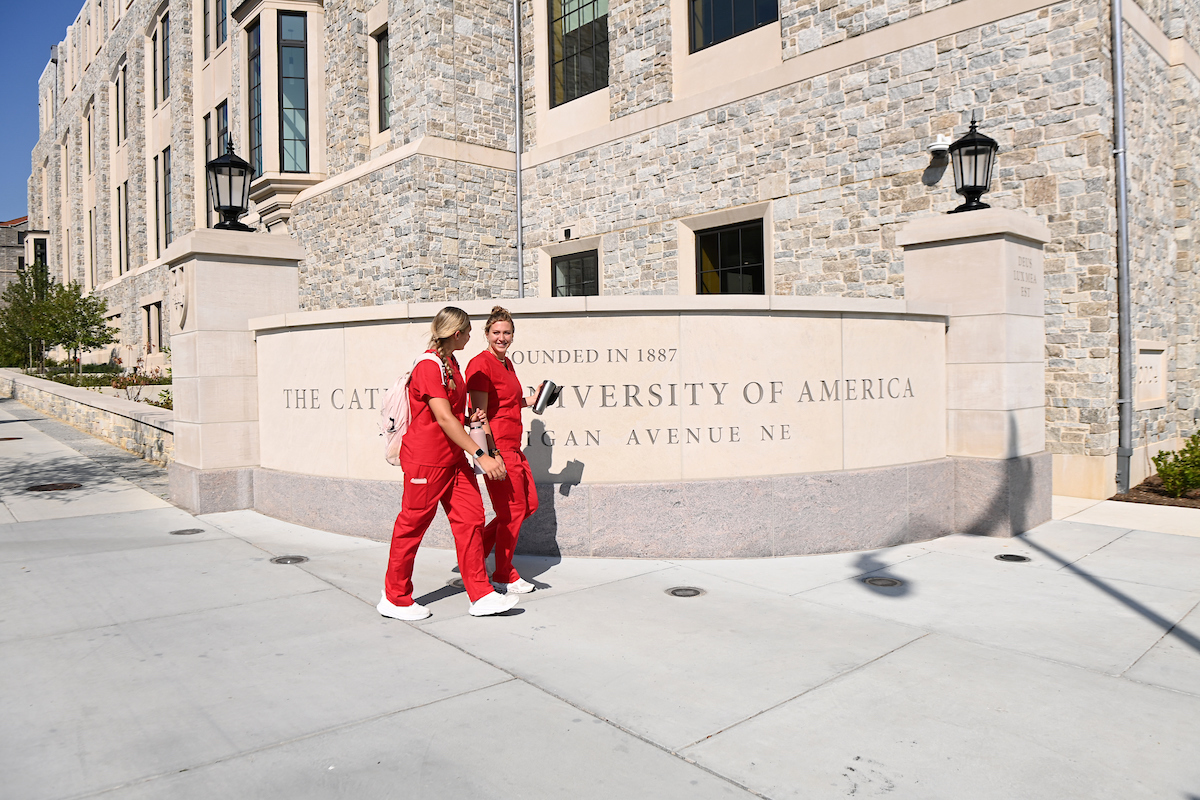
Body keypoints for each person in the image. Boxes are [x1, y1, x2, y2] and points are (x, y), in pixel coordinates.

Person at [378, 307, 520, 620]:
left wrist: (469, 418)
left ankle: (481, 594)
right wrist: (481, 454)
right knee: (412, 525)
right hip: (426, 462)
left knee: (471, 519)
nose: (471, 337)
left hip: (453, 460)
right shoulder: (429, 366)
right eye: (468, 332)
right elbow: (441, 417)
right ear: (457, 333)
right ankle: (395, 597)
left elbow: (451, 414)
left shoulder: (451, 363)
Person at [466, 306, 542, 594]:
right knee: (511, 511)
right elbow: (480, 413)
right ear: (486, 334)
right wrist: (492, 453)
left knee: (528, 505)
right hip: (499, 448)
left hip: (514, 447)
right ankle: (503, 574)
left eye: (506, 332)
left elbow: (506, 403)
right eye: (496, 332)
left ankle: (474, 555)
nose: (501, 337)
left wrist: (530, 400)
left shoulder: (507, 364)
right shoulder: (480, 364)